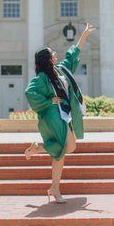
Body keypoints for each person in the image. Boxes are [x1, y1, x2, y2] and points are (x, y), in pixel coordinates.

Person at [24, 23, 95, 203]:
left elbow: (73, 55)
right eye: (52, 53)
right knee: (64, 149)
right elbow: (29, 92)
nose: (55, 54)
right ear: (47, 59)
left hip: (64, 114)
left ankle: (37, 150)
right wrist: (48, 101)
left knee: (69, 147)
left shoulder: (60, 70)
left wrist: (84, 36)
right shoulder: (41, 78)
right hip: (54, 116)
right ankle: (55, 189)